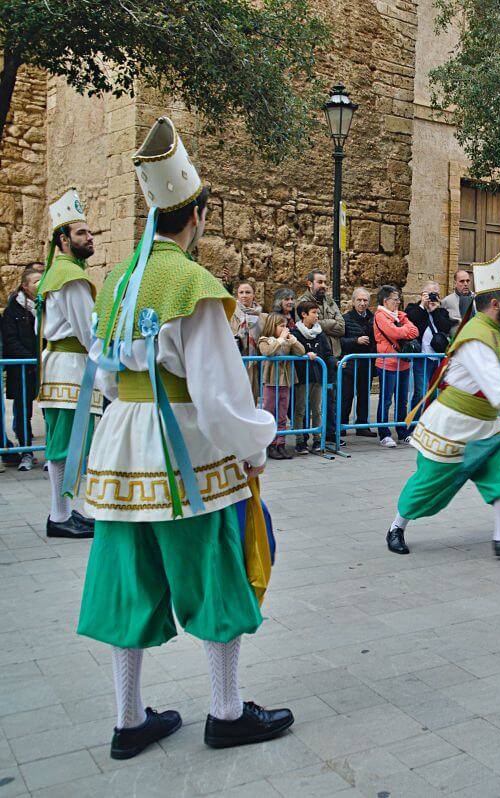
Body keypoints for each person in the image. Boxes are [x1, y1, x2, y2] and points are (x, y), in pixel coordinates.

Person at [75, 117, 291, 759]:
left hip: (119, 452)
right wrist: (257, 446)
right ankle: (226, 712)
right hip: (183, 453)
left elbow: (108, 374)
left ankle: (128, 718)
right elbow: (220, 396)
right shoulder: (195, 286)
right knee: (212, 572)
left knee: (127, 577)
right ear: (196, 213)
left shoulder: (116, 281)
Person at [387, 253, 500, 557]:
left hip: (485, 423)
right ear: (496, 304)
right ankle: (396, 526)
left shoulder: (493, 331)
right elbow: (487, 377)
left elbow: (495, 377)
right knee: (428, 484)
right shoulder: (476, 334)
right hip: (455, 422)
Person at [37, 189, 102, 538]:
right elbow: (88, 331)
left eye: (89, 232)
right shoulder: (71, 277)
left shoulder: (54, 273)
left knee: (66, 442)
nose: (89, 237)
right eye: (81, 233)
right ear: (63, 240)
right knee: (65, 443)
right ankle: (60, 516)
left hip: (59, 366)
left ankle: (64, 511)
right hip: (70, 369)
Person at [298, 270, 345, 445]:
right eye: (320, 282)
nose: (324, 285)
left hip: (331, 355)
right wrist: (329, 324)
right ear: (309, 283)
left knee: (330, 398)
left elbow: (342, 327)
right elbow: (305, 326)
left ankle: (330, 434)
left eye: (325, 282)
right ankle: (304, 437)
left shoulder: (330, 301)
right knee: (307, 401)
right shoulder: (303, 302)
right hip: (313, 357)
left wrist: (320, 324)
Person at [3, 269, 40, 470]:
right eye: (36, 281)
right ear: (25, 286)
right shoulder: (13, 311)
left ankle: (51, 450)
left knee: (49, 411)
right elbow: (10, 340)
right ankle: (26, 450)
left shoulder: (48, 306)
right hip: (23, 368)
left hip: (42, 366)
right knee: (23, 411)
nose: (40, 283)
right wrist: (30, 359)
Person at [373, 285, 419, 447]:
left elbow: (415, 331)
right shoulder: (380, 316)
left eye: (399, 299)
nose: (398, 302)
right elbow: (394, 333)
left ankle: (402, 432)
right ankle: (384, 434)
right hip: (387, 363)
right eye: (395, 299)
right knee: (386, 400)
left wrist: (404, 328)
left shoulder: (400, 315)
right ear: (386, 301)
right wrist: (405, 329)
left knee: (402, 400)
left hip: (403, 363)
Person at [256, 312, 304, 459]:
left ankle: (280, 443)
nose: (285, 329)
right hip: (271, 380)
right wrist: (281, 339)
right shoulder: (264, 340)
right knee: (269, 412)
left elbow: (301, 351)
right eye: (281, 326)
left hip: (286, 380)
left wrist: (292, 341)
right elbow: (269, 352)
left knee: (282, 413)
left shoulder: (287, 340)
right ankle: (269, 444)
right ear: (272, 326)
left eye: (286, 326)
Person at [292, 299, 335, 454]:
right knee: (300, 409)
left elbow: (327, 353)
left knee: (317, 409)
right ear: (304, 315)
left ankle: (317, 438)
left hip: (317, 376)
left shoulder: (320, 333)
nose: (317, 316)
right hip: (302, 377)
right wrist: (304, 354)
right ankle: (299, 440)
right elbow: (294, 351)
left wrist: (335, 363)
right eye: (314, 313)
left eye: (317, 312)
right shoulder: (295, 333)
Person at [404, 282, 453, 415]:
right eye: (429, 294)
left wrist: (435, 311)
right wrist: (422, 306)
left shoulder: (441, 311)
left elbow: (445, 327)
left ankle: (430, 424)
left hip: (438, 358)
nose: (432, 297)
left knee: (435, 393)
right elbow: (411, 319)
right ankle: (413, 425)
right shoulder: (414, 308)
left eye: (435, 294)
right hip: (422, 358)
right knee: (420, 392)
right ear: (422, 295)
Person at [339, 287, 377, 437]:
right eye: (359, 300)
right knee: (346, 395)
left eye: (365, 300)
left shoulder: (373, 318)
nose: (362, 303)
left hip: (366, 363)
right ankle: (341, 424)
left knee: (364, 394)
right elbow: (340, 341)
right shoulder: (345, 318)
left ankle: (362, 425)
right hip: (351, 362)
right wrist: (356, 340)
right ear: (353, 301)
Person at [443, 268, 474, 336]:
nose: (465, 284)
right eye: (462, 281)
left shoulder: (476, 298)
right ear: (455, 283)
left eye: (467, 281)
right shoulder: (447, 301)